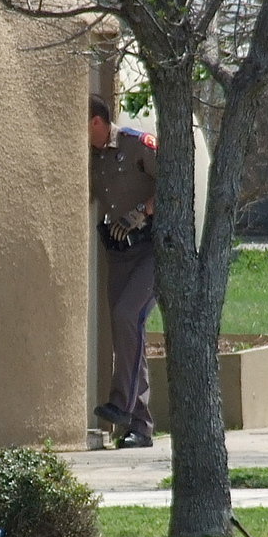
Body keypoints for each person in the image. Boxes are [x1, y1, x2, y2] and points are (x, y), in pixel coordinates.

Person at [88, 93, 157, 449]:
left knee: (128, 316)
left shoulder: (136, 145)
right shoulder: (89, 157)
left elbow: (176, 182)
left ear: (97, 122)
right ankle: (140, 427)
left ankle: (119, 404)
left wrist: (144, 210)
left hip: (153, 251)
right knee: (126, 332)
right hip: (119, 255)